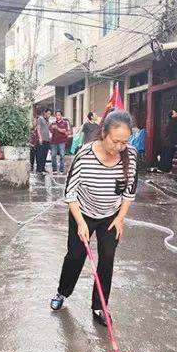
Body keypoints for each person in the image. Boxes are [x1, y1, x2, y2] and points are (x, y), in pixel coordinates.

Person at [49, 110, 138, 326]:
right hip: (83, 213)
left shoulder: (131, 156)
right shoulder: (85, 154)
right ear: (103, 133)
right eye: (115, 141)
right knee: (76, 256)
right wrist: (80, 223)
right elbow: (70, 193)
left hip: (111, 216)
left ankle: (100, 306)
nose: (119, 147)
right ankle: (62, 292)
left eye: (124, 142)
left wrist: (121, 218)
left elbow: (129, 192)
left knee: (107, 258)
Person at [50, 110, 71, 174]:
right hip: (53, 141)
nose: (57, 116)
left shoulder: (65, 122)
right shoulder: (53, 123)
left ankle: (61, 169)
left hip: (62, 141)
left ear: (61, 116)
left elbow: (65, 131)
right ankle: (54, 169)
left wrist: (57, 128)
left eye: (59, 115)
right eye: (56, 115)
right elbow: (50, 131)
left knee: (62, 155)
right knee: (53, 155)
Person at [35, 109, 51, 174]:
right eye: (48, 114)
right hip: (42, 140)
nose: (49, 115)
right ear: (44, 113)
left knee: (44, 155)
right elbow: (38, 128)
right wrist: (40, 138)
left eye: (50, 114)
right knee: (40, 155)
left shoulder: (47, 120)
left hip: (47, 140)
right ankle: (39, 169)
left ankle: (43, 168)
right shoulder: (40, 119)